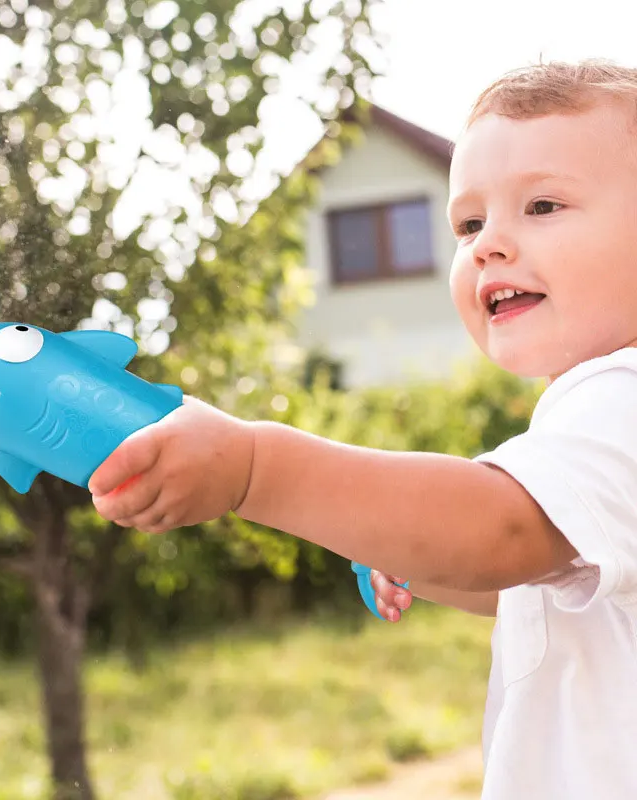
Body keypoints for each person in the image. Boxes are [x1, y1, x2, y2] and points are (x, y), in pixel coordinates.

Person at [89, 59, 637, 798]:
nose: (488, 245)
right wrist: (414, 546)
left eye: (542, 206)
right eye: (469, 223)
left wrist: (256, 468)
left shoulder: (621, 398)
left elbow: (502, 532)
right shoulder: (589, 418)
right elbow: (542, 578)